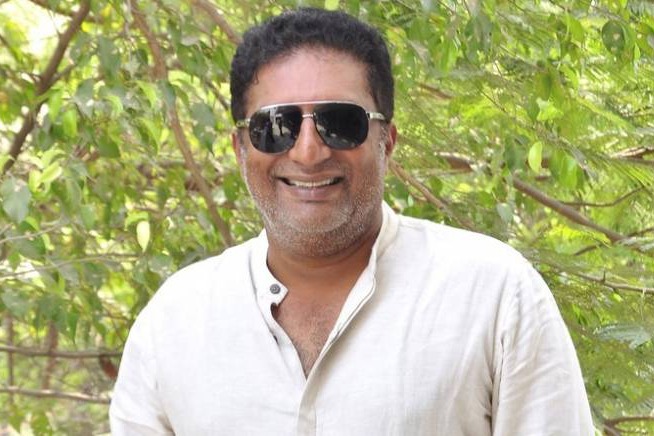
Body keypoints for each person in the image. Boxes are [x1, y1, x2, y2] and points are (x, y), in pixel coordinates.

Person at [110, 7, 594, 435]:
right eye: (276, 126)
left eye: (340, 123)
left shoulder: (493, 296)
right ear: (240, 148)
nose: (308, 152)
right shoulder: (173, 323)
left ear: (387, 141)